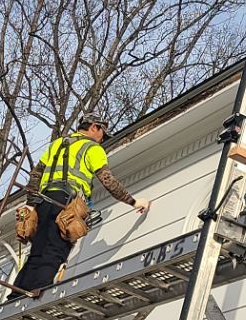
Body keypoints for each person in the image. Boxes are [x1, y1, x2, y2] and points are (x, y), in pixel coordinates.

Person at [11, 117, 151, 298]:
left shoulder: (58, 143)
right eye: (102, 134)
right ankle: (36, 294)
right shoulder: (93, 148)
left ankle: (14, 297)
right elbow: (108, 181)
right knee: (54, 251)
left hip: (43, 202)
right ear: (94, 127)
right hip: (65, 203)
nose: (102, 139)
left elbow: (36, 174)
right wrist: (134, 202)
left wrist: (30, 205)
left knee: (37, 251)